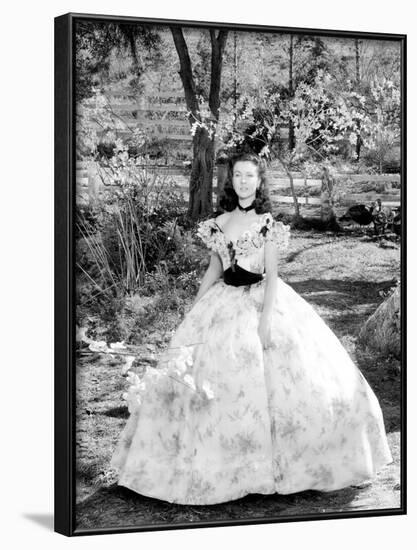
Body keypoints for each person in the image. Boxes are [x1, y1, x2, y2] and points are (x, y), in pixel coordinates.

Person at [110, 152, 392, 505]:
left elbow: (273, 276)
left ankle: (288, 464)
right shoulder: (219, 222)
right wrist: (194, 308)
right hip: (223, 301)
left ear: (259, 182)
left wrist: (264, 323)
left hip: (260, 301)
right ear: (232, 180)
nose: (243, 181)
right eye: (238, 176)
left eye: (250, 176)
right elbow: (214, 269)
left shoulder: (268, 223)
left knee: (288, 381)